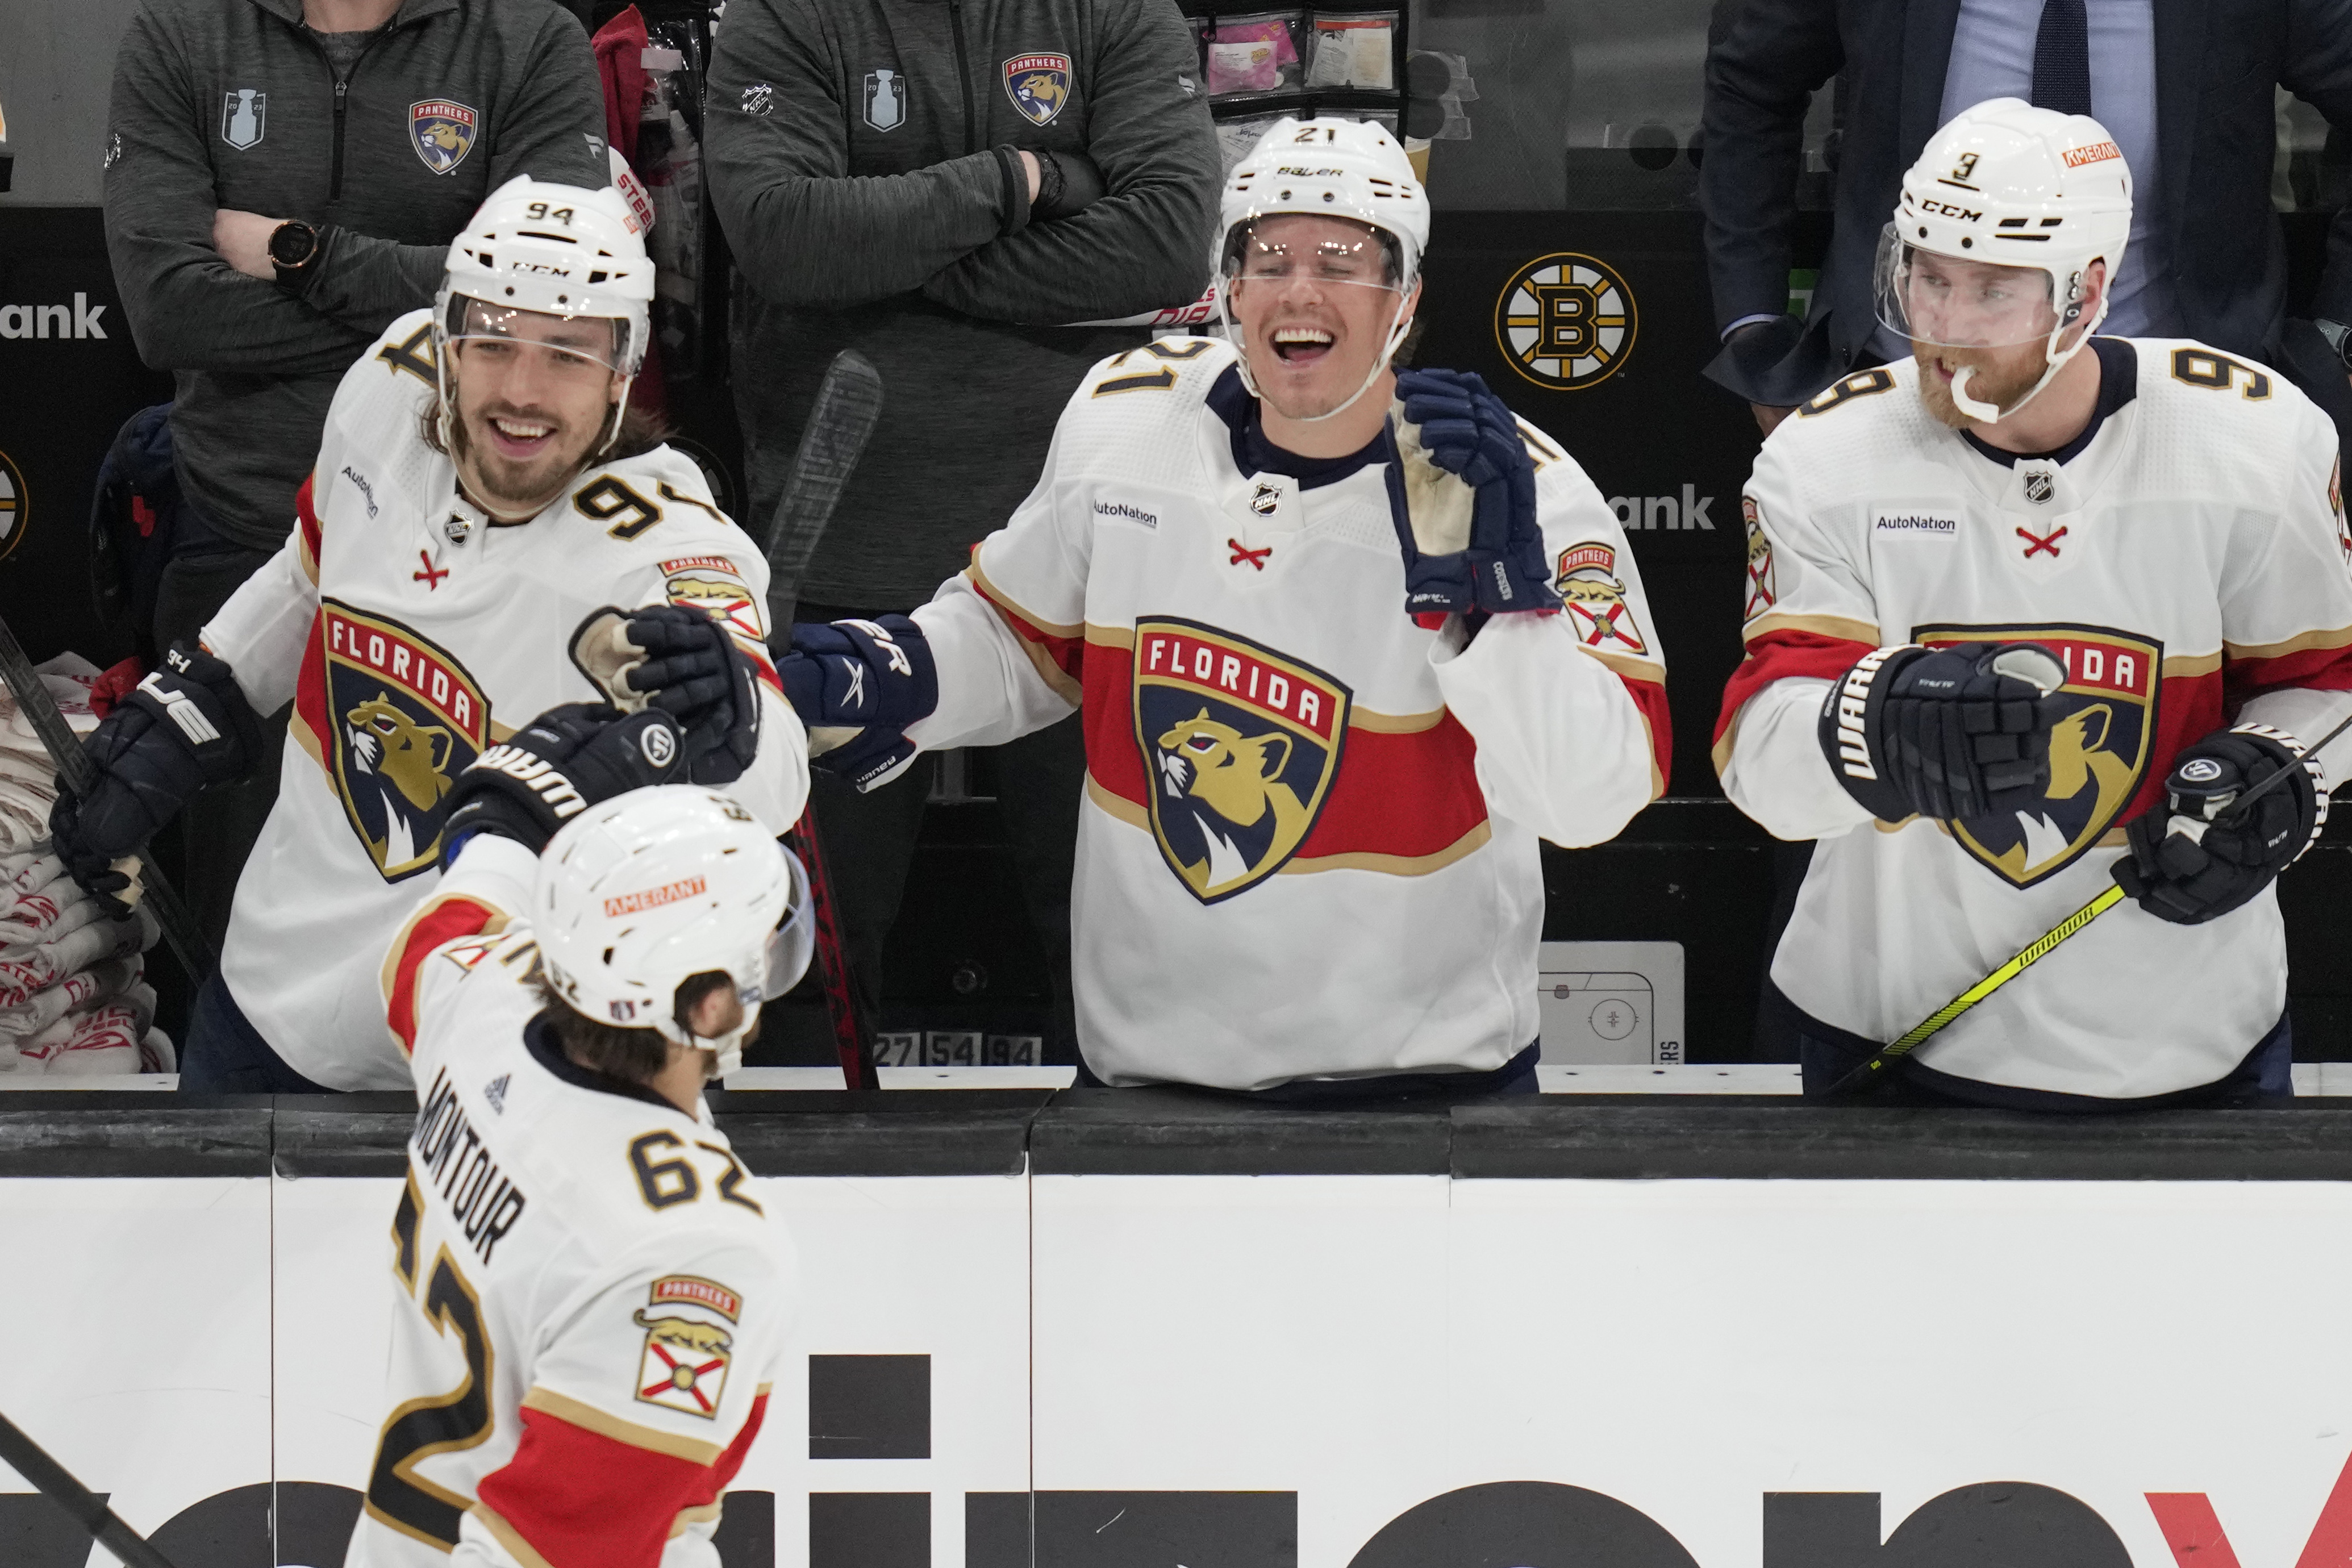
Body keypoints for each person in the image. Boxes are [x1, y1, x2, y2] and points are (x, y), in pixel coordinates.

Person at [775, 118, 1670, 1096]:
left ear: (1404, 300)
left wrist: (1500, 606)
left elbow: (1596, 800)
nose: (1300, 289)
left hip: (1423, 1086)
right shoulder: (1127, 415)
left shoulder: (1518, 488)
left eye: (1343, 261)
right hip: (1144, 1079)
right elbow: (1020, 640)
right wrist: (884, 672)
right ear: (1228, 287)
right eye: (1269, 256)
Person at [49, 177, 810, 1093]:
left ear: (623, 369)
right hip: (273, 1003)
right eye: (494, 338)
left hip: (495, 1053)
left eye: (568, 352)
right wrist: (193, 702)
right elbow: (309, 570)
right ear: (446, 337)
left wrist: (739, 723)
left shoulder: (669, 538)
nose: (522, 391)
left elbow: (776, 777)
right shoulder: (384, 392)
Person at [1715, 101, 2352, 1109]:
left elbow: (2330, 682)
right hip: (1890, 1027)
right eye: (1928, 277)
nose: (1946, 329)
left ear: (2086, 291)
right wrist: (1872, 726)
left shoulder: (2252, 441)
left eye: (1992, 289)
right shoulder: (1825, 457)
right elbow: (1762, 766)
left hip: (2192, 1033)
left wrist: (2279, 771)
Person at [703, 0, 1222, 1057]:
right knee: (801, 971)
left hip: (1087, 562)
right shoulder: (781, 15)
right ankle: (813, 1218)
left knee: (1132, 951)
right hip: (843, 543)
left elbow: (1169, 242)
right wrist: (1021, 185)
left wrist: (893, 256)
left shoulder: (1116, 10)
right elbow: (785, 240)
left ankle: (1138, 1215)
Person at [102, 0, 608, 946]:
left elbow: (549, 301)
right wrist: (452, 304)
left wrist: (298, 252)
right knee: (244, 940)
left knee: (475, 934)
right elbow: (168, 310)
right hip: (245, 543)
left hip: (487, 563)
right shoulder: (182, 32)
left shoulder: (529, 38)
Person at [349, 782, 805, 1568]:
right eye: (756, 945)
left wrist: (507, 809)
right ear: (705, 1010)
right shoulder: (691, 1244)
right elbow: (561, 1550)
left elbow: (436, 937)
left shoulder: (490, 1002)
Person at [1698, 0, 2352, 441]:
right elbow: (1752, 83)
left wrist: (2337, 332)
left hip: (2186, 409)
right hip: (1915, 395)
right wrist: (1755, 327)